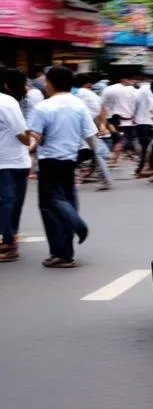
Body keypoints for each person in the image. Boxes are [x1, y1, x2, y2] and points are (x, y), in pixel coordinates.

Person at [28, 65, 98, 268]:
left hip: (49, 160)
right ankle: (65, 253)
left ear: (50, 83)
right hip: (70, 160)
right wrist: (95, 160)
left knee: (50, 205)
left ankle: (71, 234)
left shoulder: (43, 107)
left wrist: (29, 150)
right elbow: (90, 135)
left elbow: (36, 138)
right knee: (67, 200)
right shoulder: (79, 105)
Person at [0, 68, 32, 262]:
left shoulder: (6, 102)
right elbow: (23, 136)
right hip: (14, 160)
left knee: (7, 201)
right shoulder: (7, 102)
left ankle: (9, 241)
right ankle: (10, 239)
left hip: (8, 162)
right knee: (11, 201)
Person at [73, 73, 113, 191]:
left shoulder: (72, 93)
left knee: (80, 152)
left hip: (78, 128)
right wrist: (102, 124)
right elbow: (102, 109)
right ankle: (105, 179)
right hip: (88, 127)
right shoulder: (88, 93)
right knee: (96, 153)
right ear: (88, 84)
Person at [102, 69, 138, 163]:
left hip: (111, 120)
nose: (132, 82)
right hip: (126, 120)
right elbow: (135, 105)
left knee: (117, 139)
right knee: (122, 140)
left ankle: (116, 158)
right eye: (130, 80)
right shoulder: (131, 90)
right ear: (123, 80)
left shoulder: (108, 89)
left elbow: (103, 105)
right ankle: (114, 158)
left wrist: (103, 122)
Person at [133, 75, 153, 178]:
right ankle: (145, 168)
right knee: (150, 147)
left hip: (140, 123)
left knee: (144, 147)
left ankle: (141, 168)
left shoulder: (138, 91)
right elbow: (152, 105)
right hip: (150, 122)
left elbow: (134, 105)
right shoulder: (150, 89)